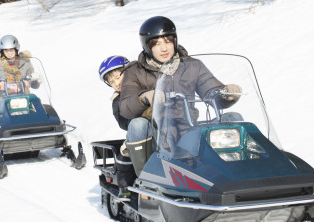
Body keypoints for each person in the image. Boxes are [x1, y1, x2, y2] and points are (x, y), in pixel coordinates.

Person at [119, 16, 241, 175]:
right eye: (156, 43)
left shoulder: (192, 65)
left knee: (233, 118)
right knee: (137, 124)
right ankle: (146, 179)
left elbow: (211, 91)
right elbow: (125, 108)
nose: (164, 48)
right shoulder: (135, 71)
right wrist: (144, 97)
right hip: (156, 138)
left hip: (188, 132)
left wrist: (227, 94)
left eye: (168, 41)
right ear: (147, 46)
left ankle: (234, 173)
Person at [98, 55, 136, 202]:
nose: (116, 83)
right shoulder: (117, 100)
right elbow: (122, 122)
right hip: (137, 132)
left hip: (162, 127)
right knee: (125, 152)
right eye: (111, 82)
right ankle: (124, 186)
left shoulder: (143, 85)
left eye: (117, 77)